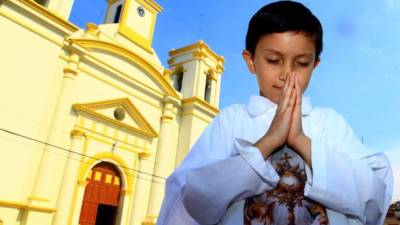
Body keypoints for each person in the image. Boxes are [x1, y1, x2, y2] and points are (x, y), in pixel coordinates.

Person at [157, 1, 393, 225]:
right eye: (273, 60)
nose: (286, 74)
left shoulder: (330, 123)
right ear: (251, 61)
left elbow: (372, 199)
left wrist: (301, 141)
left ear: (315, 65)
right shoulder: (232, 120)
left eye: (301, 63)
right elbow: (195, 199)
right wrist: (268, 143)